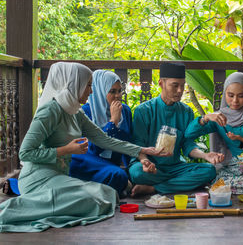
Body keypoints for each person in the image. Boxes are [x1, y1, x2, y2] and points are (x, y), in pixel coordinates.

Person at [0, 62, 165, 232]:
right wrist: (65, 150)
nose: (91, 91)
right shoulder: (49, 111)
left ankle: (50, 204)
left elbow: (104, 139)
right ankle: (17, 209)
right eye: (87, 86)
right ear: (74, 84)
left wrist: (141, 151)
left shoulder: (76, 112)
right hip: (39, 178)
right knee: (90, 200)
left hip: (60, 176)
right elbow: (25, 153)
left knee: (107, 195)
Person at [128, 62, 224, 196]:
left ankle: (154, 189)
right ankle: (177, 184)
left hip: (175, 167)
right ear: (161, 83)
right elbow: (138, 144)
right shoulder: (144, 110)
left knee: (209, 171)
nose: (180, 90)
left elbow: (187, 144)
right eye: (175, 85)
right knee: (137, 173)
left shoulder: (186, 111)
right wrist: (146, 162)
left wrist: (205, 155)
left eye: (182, 85)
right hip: (149, 165)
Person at [69, 70, 156, 198]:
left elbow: (128, 142)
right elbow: (93, 148)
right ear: (100, 91)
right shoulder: (85, 112)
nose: (117, 96)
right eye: (112, 91)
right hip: (90, 161)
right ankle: (120, 187)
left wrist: (140, 161)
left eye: (119, 91)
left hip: (111, 165)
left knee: (133, 173)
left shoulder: (124, 110)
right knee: (117, 175)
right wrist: (113, 121)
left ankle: (117, 186)